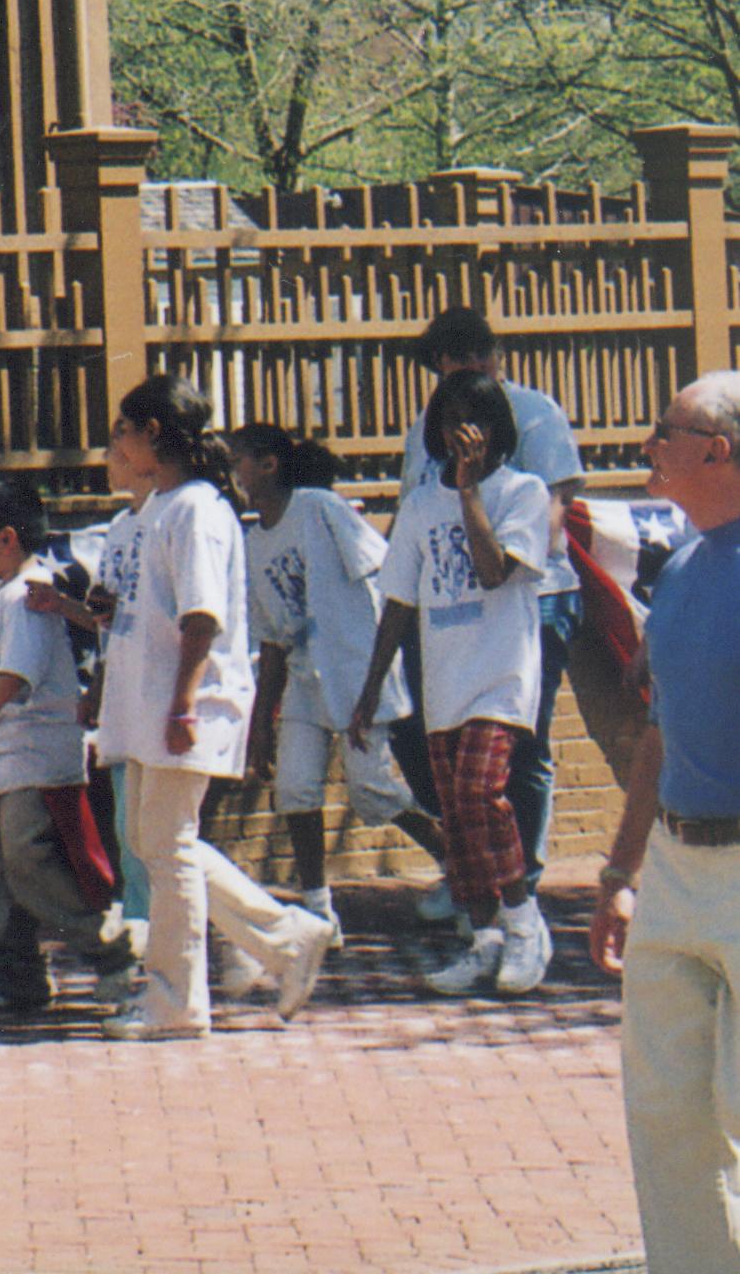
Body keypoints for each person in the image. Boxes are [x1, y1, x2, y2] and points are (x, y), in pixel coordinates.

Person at [93, 374, 334, 1038]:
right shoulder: (157, 510)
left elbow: (202, 619)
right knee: (155, 843)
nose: (114, 442)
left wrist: (181, 704)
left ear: (151, 435)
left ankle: (176, 1002)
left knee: (165, 850)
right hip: (150, 704)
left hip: (184, 704)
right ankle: (286, 937)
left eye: (122, 429)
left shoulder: (197, 509)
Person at [592, 372, 740, 1274]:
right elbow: (659, 728)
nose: (647, 445)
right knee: (664, 1113)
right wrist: (617, 874)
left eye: (665, 430)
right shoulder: (681, 567)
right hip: (677, 869)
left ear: (718, 450)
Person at [353, 369, 558, 997]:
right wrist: (370, 690)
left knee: (479, 790)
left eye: (477, 421)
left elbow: (495, 572)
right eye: (450, 421)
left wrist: (470, 493)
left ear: (498, 430)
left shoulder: (523, 493)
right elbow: (398, 604)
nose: (462, 434)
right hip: (445, 678)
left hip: (501, 674)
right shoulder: (418, 506)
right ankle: (485, 934)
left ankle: (525, 925)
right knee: (458, 813)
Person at [399, 305, 588, 910]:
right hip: (452, 611)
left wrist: (522, 562)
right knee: (449, 748)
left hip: (532, 597)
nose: (477, 366)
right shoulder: (427, 428)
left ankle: (521, 882)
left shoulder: (534, 412)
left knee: (520, 745)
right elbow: (417, 512)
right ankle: (473, 877)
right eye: (461, 357)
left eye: (484, 352)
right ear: (438, 367)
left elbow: (554, 506)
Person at [237, 423, 450, 932]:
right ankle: (317, 908)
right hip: (304, 682)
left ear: (269, 464)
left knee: (372, 789)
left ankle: (460, 865)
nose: (234, 469)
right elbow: (270, 638)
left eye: (240, 458)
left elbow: (384, 580)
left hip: (356, 672)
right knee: (294, 788)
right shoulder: (252, 541)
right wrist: (262, 721)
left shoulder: (319, 509)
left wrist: (373, 684)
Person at [0, 473, 136, 1012]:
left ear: (7, 538)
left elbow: (13, 679)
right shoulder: (4, 597)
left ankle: (112, 952)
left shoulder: (25, 597)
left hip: (32, 758)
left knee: (31, 864)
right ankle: (14, 975)